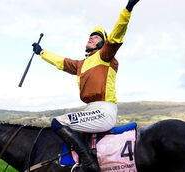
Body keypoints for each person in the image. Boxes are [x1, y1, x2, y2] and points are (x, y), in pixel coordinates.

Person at [33, 0, 140, 171]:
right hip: (90, 110)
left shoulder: (105, 55)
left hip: (104, 111)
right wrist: (42, 52)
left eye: (96, 36)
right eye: (91, 35)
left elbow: (116, 36)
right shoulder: (81, 64)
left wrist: (127, 9)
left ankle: (88, 164)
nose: (91, 37)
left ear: (102, 43)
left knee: (57, 123)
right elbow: (61, 62)